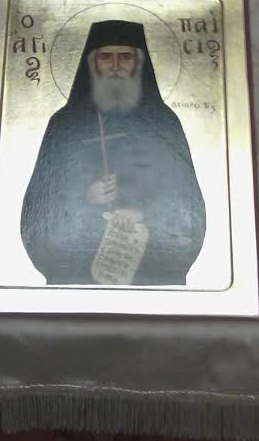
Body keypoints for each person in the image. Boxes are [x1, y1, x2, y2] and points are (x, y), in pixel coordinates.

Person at [21, 20, 206, 286]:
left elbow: (187, 206)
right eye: (107, 57)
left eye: (126, 57)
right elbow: (39, 209)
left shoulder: (165, 123)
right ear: (93, 63)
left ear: (139, 63)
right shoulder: (64, 124)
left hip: (151, 274)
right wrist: (85, 199)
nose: (116, 65)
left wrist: (144, 214)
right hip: (76, 276)